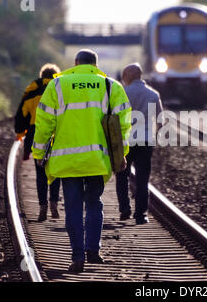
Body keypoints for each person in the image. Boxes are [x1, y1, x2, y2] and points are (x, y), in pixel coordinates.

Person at [32, 49, 132, 273]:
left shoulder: (58, 85)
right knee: (94, 203)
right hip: (97, 159)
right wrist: (122, 153)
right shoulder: (110, 86)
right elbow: (123, 124)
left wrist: (39, 153)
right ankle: (93, 250)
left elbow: (44, 122)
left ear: (76, 63)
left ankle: (77, 257)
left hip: (68, 162)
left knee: (73, 208)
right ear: (95, 65)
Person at [116, 63, 163, 225]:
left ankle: (125, 209)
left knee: (122, 175)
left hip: (125, 141)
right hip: (145, 140)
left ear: (127, 77)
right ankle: (141, 214)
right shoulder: (153, 94)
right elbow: (160, 120)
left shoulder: (121, 93)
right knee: (143, 178)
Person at [14, 64, 61, 222]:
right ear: (56, 75)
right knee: (55, 170)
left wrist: (20, 132)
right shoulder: (60, 89)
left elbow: (22, 114)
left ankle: (43, 206)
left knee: (40, 170)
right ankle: (54, 201)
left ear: (41, 75)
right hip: (57, 132)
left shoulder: (32, 91)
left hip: (36, 133)